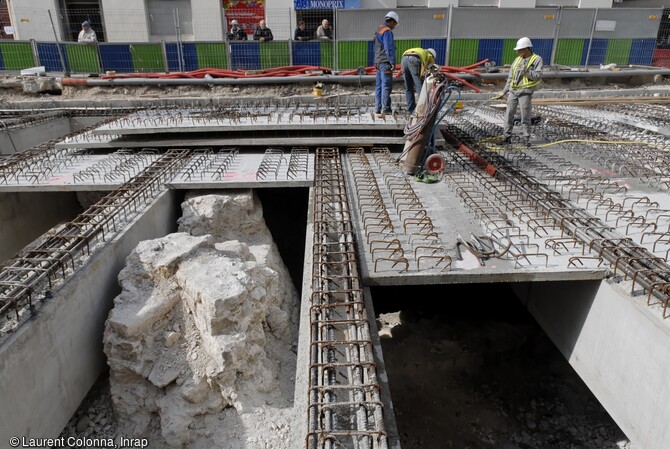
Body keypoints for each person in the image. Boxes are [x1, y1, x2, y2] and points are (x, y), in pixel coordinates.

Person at [499, 37, 543, 146]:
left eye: (520, 50)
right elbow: (510, 77)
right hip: (513, 91)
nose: (518, 52)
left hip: (525, 92)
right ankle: (506, 137)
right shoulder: (517, 59)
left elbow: (537, 76)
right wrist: (504, 91)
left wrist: (526, 71)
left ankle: (526, 139)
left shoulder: (537, 60)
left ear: (526, 48)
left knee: (525, 116)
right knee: (509, 114)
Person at [373, 11, 398, 116]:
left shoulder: (379, 29)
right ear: (392, 21)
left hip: (378, 62)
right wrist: (392, 62)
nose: (395, 26)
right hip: (385, 62)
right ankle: (386, 108)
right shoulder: (387, 31)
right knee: (386, 85)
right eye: (395, 23)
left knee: (379, 86)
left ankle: (377, 108)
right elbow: (389, 48)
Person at [401, 47, 436, 114]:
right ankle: (423, 109)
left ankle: (410, 110)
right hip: (414, 59)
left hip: (404, 59)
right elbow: (432, 70)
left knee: (408, 88)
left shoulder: (422, 52)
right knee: (420, 87)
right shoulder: (430, 56)